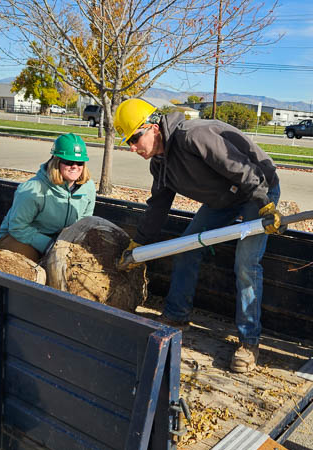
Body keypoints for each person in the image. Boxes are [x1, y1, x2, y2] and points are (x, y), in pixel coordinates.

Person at [114, 98, 283, 373]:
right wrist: (140, 243)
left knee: (246, 265)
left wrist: (264, 202)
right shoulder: (160, 164)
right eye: (128, 142)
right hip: (224, 200)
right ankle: (176, 316)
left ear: (153, 128)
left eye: (134, 138)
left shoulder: (194, 136)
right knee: (186, 248)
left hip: (256, 189)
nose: (132, 147)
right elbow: (158, 204)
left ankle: (249, 342)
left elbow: (241, 168)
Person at [0, 133, 96, 262]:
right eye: (68, 162)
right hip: (19, 237)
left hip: (59, 241)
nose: (75, 166)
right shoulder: (33, 189)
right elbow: (17, 227)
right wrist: (49, 245)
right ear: (56, 161)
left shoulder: (88, 188)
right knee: (35, 268)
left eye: (79, 162)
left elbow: (83, 224)